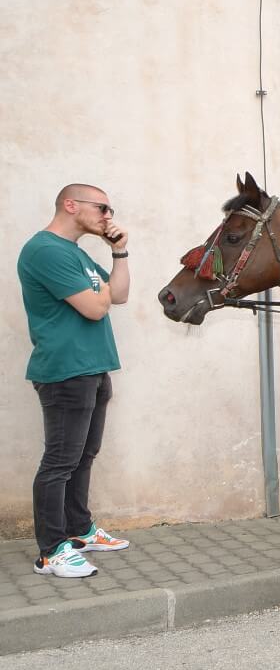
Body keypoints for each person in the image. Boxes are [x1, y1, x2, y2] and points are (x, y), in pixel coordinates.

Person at [18, 183, 134, 578]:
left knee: (84, 456)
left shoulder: (76, 254)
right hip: (65, 370)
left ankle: (79, 530)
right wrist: (100, 294)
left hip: (93, 367)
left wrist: (119, 251)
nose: (108, 216)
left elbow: (118, 295)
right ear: (71, 205)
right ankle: (51, 551)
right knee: (59, 462)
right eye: (102, 207)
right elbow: (94, 308)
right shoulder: (45, 250)